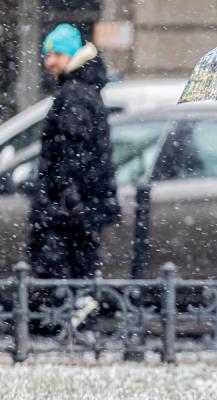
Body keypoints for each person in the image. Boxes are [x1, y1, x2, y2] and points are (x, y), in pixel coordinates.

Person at [29, 23, 120, 280]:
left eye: (56, 54)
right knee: (82, 274)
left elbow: (73, 149)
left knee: (65, 279)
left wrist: (66, 197)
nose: (50, 62)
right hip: (80, 205)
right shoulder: (82, 89)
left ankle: (76, 314)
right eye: (47, 55)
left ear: (72, 55)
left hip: (70, 210)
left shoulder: (74, 94)